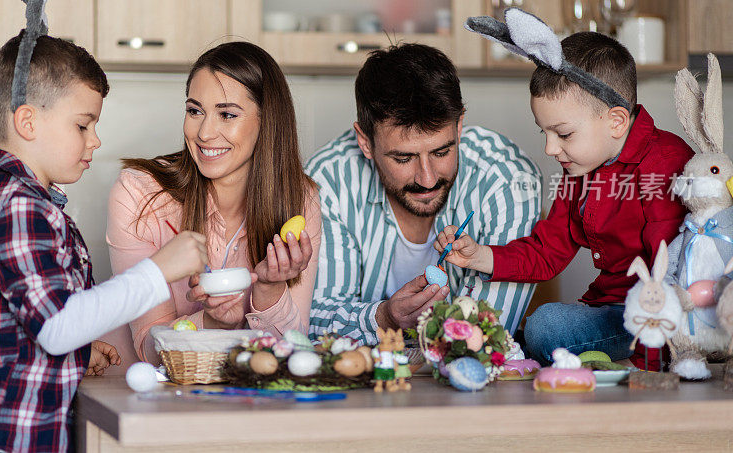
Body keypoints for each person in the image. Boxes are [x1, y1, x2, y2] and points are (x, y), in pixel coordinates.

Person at [0, 33, 207, 452]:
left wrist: (74, 355)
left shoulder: (3, 198)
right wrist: (158, 270)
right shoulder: (19, 209)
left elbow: (27, 325)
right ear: (28, 122)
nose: (94, 139)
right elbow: (56, 327)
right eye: (83, 124)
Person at [436, 32, 694, 369]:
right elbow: (547, 252)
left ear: (615, 121)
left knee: (545, 327)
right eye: (544, 132)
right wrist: (478, 256)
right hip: (611, 309)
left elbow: (672, 277)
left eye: (564, 134)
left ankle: (623, 360)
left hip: (661, 316)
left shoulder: (664, 163)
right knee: (537, 328)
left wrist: (650, 371)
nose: (550, 148)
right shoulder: (580, 171)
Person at [306, 43, 542, 345]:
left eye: (442, 151)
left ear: (459, 127)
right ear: (365, 142)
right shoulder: (328, 180)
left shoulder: (506, 178)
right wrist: (383, 317)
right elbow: (313, 320)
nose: (427, 178)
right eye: (403, 159)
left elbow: (487, 330)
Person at [106, 41, 321, 364]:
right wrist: (212, 322)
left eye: (226, 115)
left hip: (244, 400)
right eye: (195, 111)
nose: (205, 132)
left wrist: (270, 291)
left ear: (267, 122)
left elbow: (291, 350)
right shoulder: (140, 194)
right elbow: (149, 348)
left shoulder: (299, 200)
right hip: (142, 397)